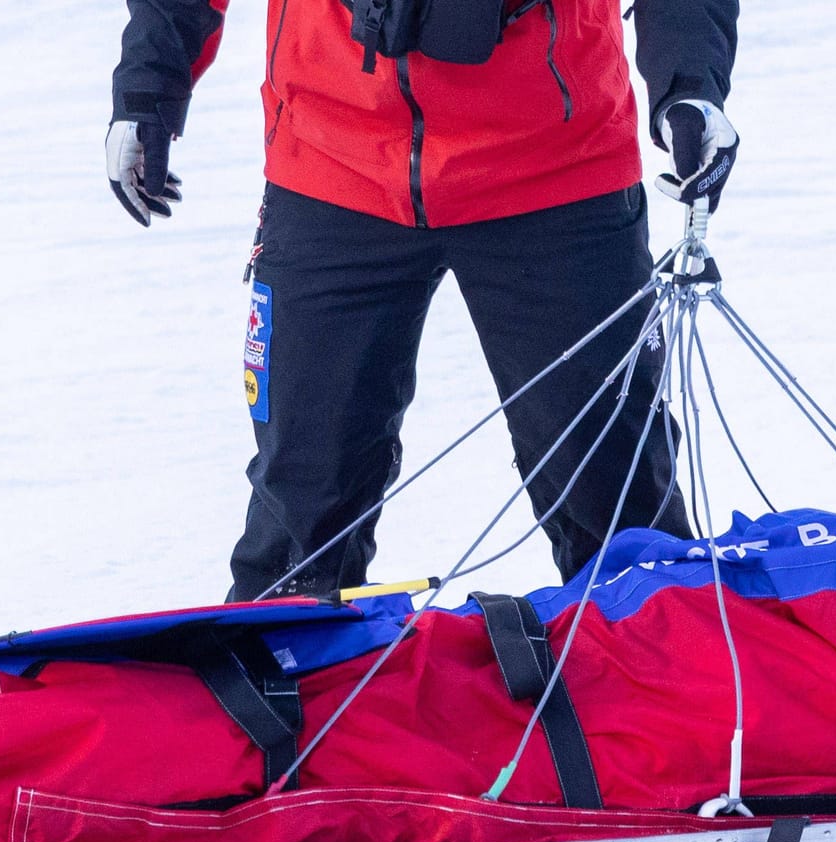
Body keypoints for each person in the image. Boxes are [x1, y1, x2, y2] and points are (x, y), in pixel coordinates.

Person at [105, 1, 744, 600]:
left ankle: (661, 689)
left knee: (614, 498)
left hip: (554, 166)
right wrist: (148, 87)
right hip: (331, 160)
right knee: (300, 515)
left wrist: (690, 83)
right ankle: (278, 690)